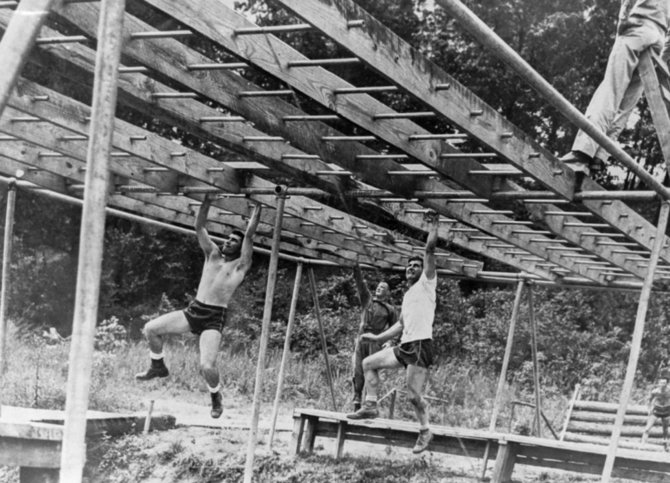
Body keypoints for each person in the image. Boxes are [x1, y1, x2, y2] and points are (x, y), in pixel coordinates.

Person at [135, 196, 261, 419]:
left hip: (214, 317)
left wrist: (258, 208)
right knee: (150, 329)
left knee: (207, 365)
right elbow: (199, 226)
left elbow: (250, 235)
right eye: (228, 238)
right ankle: (158, 366)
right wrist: (207, 200)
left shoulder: (240, 266)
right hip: (194, 311)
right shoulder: (212, 255)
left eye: (234, 241)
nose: (228, 242)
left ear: (241, 248)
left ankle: (215, 396)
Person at [346, 210, 440, 455]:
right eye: (409, 266)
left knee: (413, 395)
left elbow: (429, 251)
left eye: (416, 265)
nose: (412, 268)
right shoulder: (408, 295)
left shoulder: (427, 283)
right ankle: (370, 405)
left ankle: (425, 430)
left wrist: (434, 226)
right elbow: (400, 325)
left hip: (421, 346)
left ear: (424, 270)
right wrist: (377, 338)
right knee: (368, 362)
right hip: (406, 344)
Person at [560, 0, 670, 175]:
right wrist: (661, 56)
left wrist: (622, 22)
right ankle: (600, 157)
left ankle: (582, 154)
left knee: (610, 91)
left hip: (638, 27)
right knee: (626, 105)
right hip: (658, 37)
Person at [350, 264, 397, 411]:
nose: (379, 288)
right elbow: (360, 285)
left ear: (388, 293)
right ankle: (356, 399)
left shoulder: (390, 309)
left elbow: (395, 328)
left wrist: (390, 342)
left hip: (375, 341)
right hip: (361, 339)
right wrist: (355, 268)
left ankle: (369, 403)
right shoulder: (367, 300)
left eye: (383, 287)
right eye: (378, 286)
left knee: (371, 370)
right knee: (357, 370)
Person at [641, 369, 670, 449]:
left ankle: (666, 447)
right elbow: (649, 400)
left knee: (665, 430)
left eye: (664, 383)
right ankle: (642, 445)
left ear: (667, 383)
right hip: (656, 411)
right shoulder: (655, 391)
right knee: (647, 428)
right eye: (661, 383)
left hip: (666, 411)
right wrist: (649, 409)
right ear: (658, 383)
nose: (662, 384)